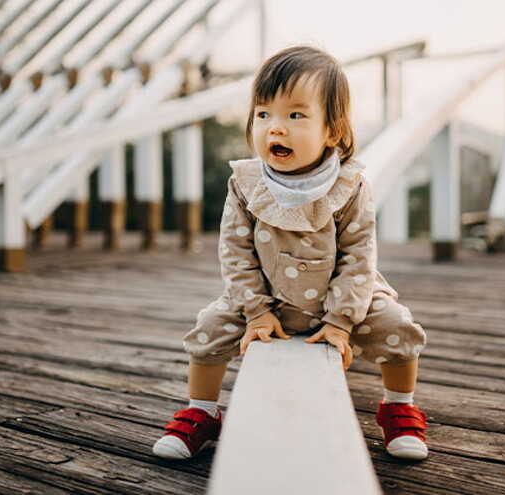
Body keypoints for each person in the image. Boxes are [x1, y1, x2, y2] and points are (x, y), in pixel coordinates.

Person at [152, 45, 428, 462]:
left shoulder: (348, 186)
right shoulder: (247, 183)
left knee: (398, 327)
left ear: (332, 131)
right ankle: (202, 411)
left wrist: (340, 321)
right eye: (263, 114)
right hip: (266, 299)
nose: (274, 129)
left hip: (344, 300)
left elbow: (358, 258)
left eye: (295, 115)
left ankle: (398, 405)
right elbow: (236, 253)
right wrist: (255, 311)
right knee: (208, 329)